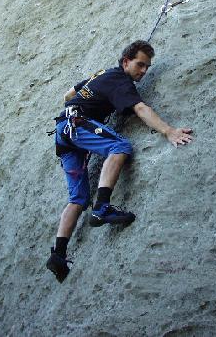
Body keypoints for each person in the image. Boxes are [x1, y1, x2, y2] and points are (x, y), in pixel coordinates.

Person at [46, 40, 193, 283]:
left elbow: (68, 95)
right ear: (126, 62)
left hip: (65, 134)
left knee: (78, 198)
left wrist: (85, 107)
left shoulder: (103, 74)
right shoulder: (120, 81)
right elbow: (141, 109)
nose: (144, 71)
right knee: (120, 146)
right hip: (76, 126)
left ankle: (58, 255)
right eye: (140, 65)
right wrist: (169, 131)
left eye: (147, 67)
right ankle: (102, 208)